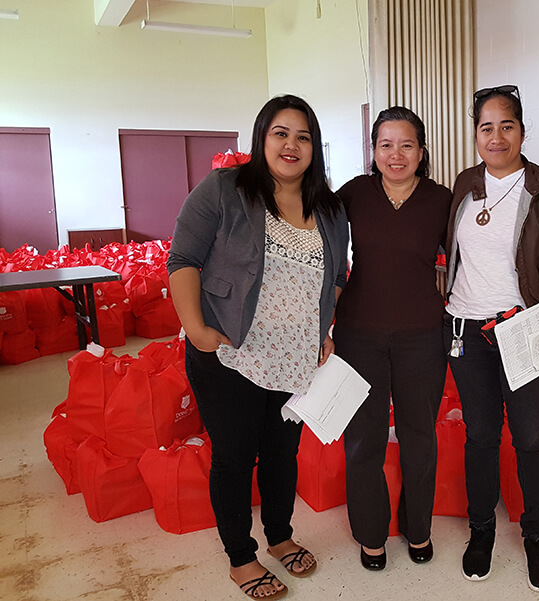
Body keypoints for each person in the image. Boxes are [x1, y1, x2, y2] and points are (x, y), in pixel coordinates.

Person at [168, 95, 348, 600]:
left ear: (314, 147)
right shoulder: (226, 189)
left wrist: (323, 328)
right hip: (231, 351)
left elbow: (336, 278)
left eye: (303, 136)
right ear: (261, 137)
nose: (291, 145)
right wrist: (198, 330)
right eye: (280, 133)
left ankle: (280, 534)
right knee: (234, 455)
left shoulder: (329, 209)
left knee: (281, 454)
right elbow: (182, 257)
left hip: (294, 356)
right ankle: (240, 557)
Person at [443, 85, 539, 592]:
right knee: (479, 435)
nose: (496, 137)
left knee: (529, 437)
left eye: (507, 126)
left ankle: (537, 536)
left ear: (522, 131)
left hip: (526, 332)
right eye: (486, 127)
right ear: (475, 134)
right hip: (465, 331)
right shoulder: (462, 185)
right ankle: (481, 531)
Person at [333, 106, 451, 571]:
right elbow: (314, 242)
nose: (396, 154)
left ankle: (418, 528)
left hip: (423, 334)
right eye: (386, 144)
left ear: (422, 152)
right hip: (359, 333)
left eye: (406, 145)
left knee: (420, 435)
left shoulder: (442, 199)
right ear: (373, 150)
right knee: (364, 439)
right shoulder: (353, 195)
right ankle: (371, 535)